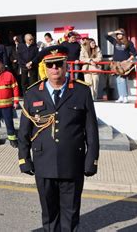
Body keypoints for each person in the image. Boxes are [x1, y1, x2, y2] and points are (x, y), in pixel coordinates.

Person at [18, 45, 99, 232]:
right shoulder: (32, 93)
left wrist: (91, 160)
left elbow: (91, 130)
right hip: (43, 163)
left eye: (59, 64)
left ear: (65, 66)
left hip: (72, 162)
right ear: (45, 68)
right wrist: (24, 159)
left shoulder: (81, 91)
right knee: (49, 213)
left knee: (70, 214)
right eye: (51, 65)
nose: (55, 69)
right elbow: (24, 132)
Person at [106, 29, 137, 103]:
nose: (118, 35)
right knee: (118, 80)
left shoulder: (129, 42)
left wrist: (128, 60)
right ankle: (121, 96)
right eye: (117, 34)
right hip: (115, 63)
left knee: (122, 80)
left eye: (120, 34)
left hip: (124, 64)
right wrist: (114, 32)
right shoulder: (115, 41)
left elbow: (134, 53)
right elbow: (106, 36)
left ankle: (125, 96)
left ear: (123, 34)